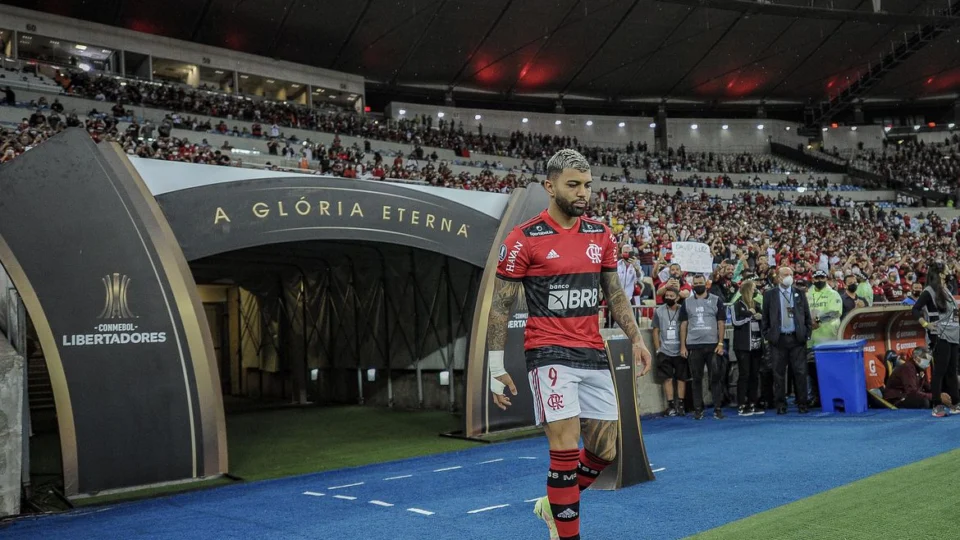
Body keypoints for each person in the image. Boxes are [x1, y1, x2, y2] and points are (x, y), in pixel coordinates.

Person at [486, 149, 652, 540]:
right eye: (573, 184)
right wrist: (496, 367)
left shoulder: (600, 234)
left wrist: (636, 338)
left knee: (605, 451)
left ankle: (552, 503)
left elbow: (614, 294)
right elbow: (499, 307)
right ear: (550, 186)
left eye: (588, 185)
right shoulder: (524, 238)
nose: (583, 193)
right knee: (563, 449)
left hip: (593, 353)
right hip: (548, 354)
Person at [761, 266, 816, 414]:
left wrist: (806, 333)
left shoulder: (799, 293)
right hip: (778, 340)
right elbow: (765, 318)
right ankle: (780, 404)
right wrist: (768, 335)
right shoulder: (769, 295)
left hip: (797, 339)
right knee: (778, 373)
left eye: (791, 274)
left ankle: (802, 403)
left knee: (800, 372)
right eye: (786, 274)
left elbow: (806, 315)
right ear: (778, 277)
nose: (789, 277)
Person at [911, 261, 960, 418]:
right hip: (940, 334)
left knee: (952, 370)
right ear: (940, 273)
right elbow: (915, 309)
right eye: (946, 268)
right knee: (940, 371)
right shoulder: (929, 291)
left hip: (953, 334)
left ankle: (956, 403)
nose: (949, 270)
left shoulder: (946, 289)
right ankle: (937, 405)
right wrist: (925, 324)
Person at [679, 274, 727, 420]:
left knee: (715, 378)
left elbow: (721, 323)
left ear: (706, 284)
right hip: (693, 345)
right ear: (692, 285)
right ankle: (698, 409)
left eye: (700, 282)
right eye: (695, 283)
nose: (698, 285)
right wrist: (683, 346)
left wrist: (720, 343)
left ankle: (717, 408)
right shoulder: (686, 303)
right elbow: (683, 325)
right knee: (696, 379)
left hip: (713, 345)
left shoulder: (716, 300)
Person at [731, 279, 764, 416]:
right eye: (753, 288)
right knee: (744, 374)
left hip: (756, 344)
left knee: (754, 375)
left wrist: (760, 316)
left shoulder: (757, 304)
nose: (755, 290)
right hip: (743, 345)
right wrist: (750, 316)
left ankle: (753, 402)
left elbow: (764, 319)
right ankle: (741, 404)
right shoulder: (736, 305)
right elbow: (735, 322)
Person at [652, 287, 687, 417]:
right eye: (667, 295)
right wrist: (658, 349)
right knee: (667, 378)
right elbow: (655, 330)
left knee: (681, 378)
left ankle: (681, 405)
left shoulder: (682, 310)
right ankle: (671, 405)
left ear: (677, 297)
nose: (669, 298)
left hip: (680, 350)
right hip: (665, 350)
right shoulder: (659, 311)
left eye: (672, 296)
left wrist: (684, 346)